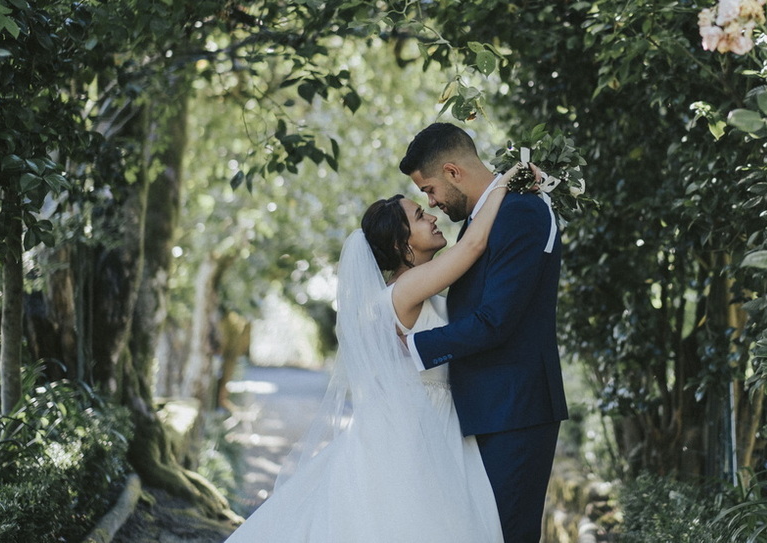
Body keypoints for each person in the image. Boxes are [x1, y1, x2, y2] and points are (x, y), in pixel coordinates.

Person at [223, 161, 533, 543]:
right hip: (417, 434)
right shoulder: (405, 290)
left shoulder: (410, 290)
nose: (433, 216)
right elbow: (473, 245)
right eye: (420, 216)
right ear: (402, 245)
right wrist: (502, 184)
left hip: (426, 425)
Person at [400, 122, 568, 543]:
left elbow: (496, 320)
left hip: (515, 410)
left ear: (453, 172)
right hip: (488, 409)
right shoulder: (484, 219)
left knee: (507, 535)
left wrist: (413, 346)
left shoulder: (521, 212)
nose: (432, 202)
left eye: (430, 190)